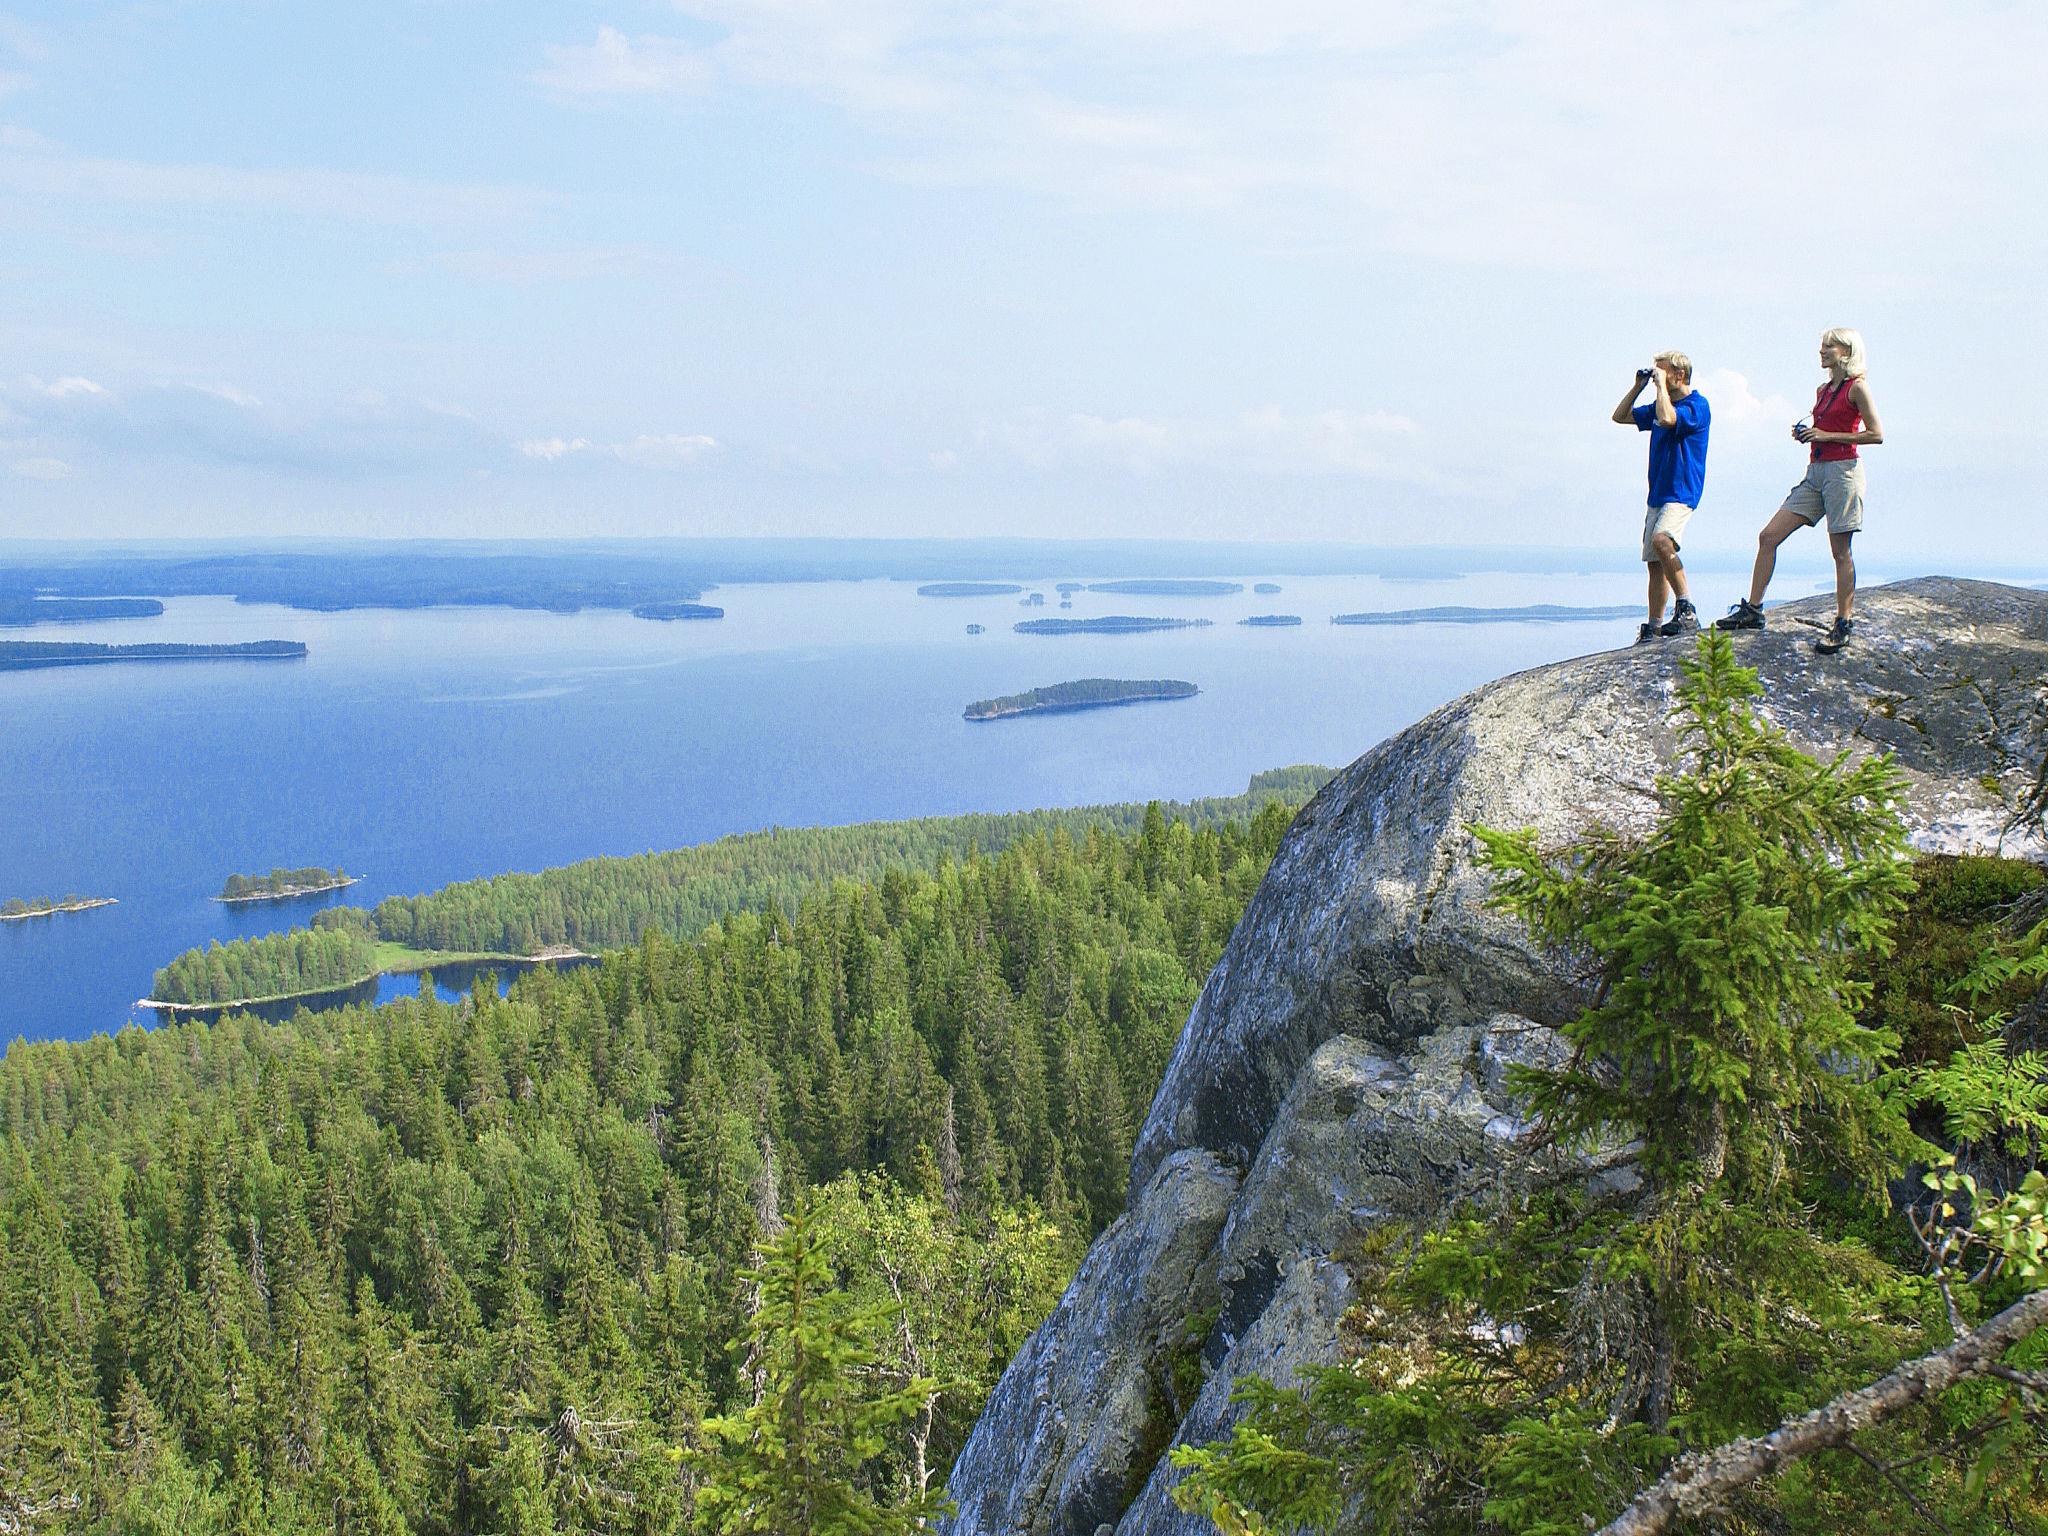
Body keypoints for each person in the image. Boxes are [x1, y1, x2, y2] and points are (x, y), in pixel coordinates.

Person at [1716, 328, 1885, 653]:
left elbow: (1876, 434)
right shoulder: (1824, 390)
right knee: (1769, 536)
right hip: (1815, 472)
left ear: (1847, 352)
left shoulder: (1857, 388)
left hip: (1843, 473)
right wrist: (1808, 434)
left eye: (1829, 346)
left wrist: (1825, 435)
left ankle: (1843, 622)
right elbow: (1825, 430)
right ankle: (1753, 610)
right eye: (1822, 346)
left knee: (1840, 551)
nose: (1822, 351)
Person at [1610, 350, 1710, 643]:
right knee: (1655, 563)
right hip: (1658, 493)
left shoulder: (1697, 406)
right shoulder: (1659, 405)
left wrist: (1659, 388)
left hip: (1681, 491)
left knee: (1662, 540)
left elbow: (1668, 419)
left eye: (1663, 373)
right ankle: (1654, 626)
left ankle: (1686, 609)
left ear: (1680, 375)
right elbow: (1620, 416)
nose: (1659, 379)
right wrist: (1638, 386)